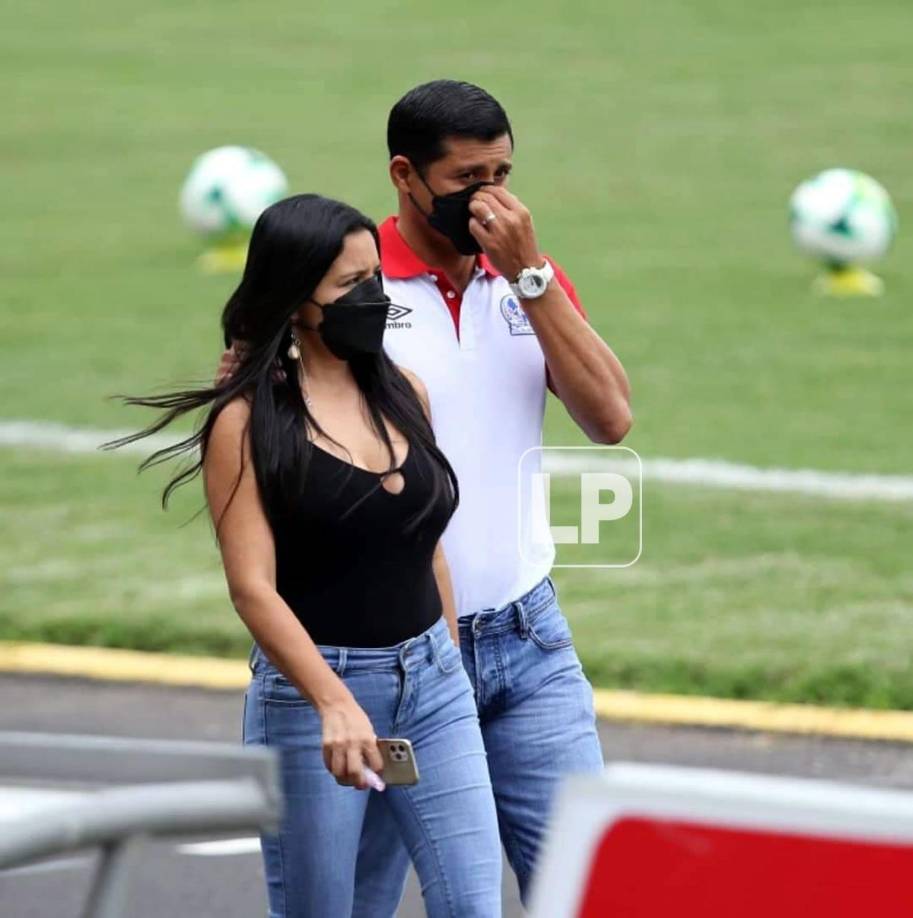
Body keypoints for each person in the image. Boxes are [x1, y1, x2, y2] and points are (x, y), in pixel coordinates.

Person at [219, 80, 633, 910]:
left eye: (503, 174)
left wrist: (531, 277)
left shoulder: (532, 284)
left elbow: (609, 418)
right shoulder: (345, 281)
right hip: (372, 649)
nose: (491, 199)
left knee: (587, 889)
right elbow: (250, 408)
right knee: (352, 903)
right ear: (406, 176)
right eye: (467, 179)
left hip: (525, 645)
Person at [107, 193, 503, 917]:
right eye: (350, 286)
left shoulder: (405, 391)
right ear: (297, 302)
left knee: (472, 904)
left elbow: (428, 550)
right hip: (311, 696)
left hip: (434, 687)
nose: (373, 296)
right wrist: (334, 702)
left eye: (375, 277)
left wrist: (445, 665)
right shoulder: (246, 423)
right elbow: (252, 587)